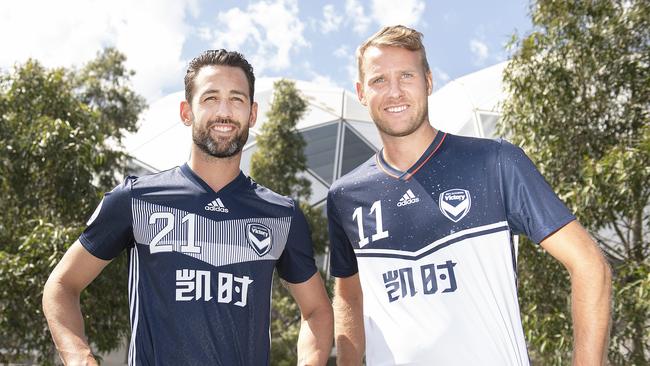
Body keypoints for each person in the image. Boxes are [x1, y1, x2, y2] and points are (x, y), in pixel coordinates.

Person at [327, 25, 611, 366]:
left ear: (428, 81)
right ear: (361, 92)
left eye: (406, 76)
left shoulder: (494, 161)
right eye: (378, 80)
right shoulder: (345, 196)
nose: (394, 92)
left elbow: (589, 264)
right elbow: (348, 296)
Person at [43, 49, 333, 365]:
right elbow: (61, 285)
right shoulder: (135, 200)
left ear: (252, 113)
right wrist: (79, 358)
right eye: (210, 98)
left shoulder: (280, 215)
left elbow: (317, 310)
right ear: (186, 112)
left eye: (236, 99)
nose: (224, 112)